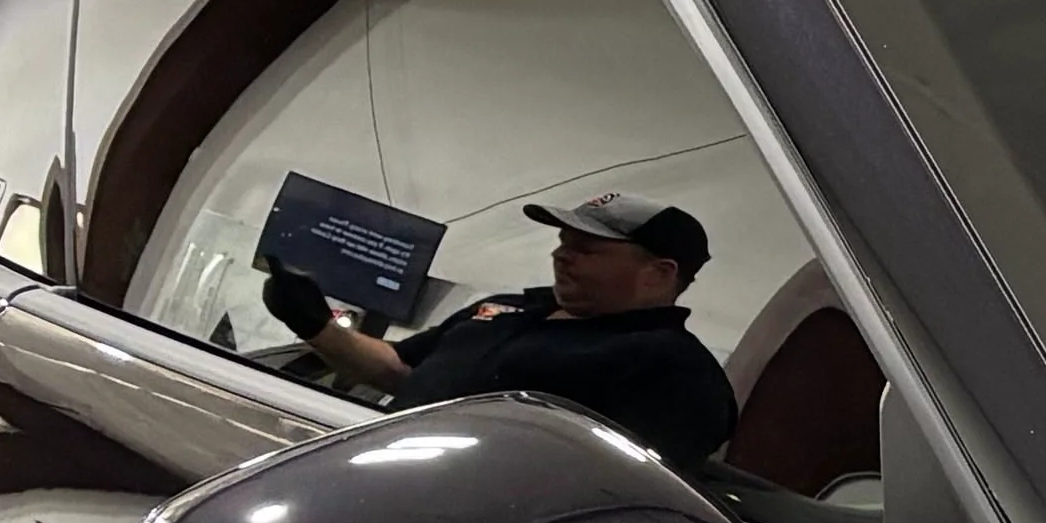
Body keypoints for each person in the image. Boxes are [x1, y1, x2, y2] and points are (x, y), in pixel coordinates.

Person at [280, 194, 740, 473]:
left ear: (658, 274)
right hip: (365, 476)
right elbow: (401, 371)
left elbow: (620, 496)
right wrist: (316, 325)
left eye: (587, 249)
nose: (562, 256)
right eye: (562, 243)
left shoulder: (677, 371)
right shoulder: (507, 308)